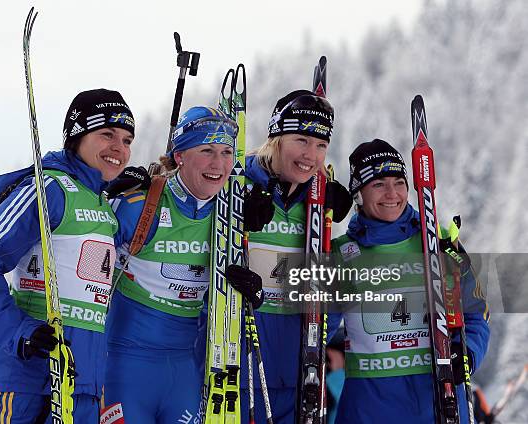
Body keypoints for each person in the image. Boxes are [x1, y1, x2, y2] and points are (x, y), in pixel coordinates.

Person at [0, 88, 139, 423]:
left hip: (81, 384)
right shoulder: (49, 189)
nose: (119, 148)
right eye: (107, 135)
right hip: (25, 379)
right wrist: (19, 332)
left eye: (127, 140)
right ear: (77, 136)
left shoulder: (105, 208)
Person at [103, 106, 264, 424]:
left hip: (183, 370)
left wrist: (250, 293)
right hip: (124, 364)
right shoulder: (140, 205)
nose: (218, 163)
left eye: (226, 152)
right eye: (206, 150)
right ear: (179, 156)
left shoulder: (229, 217)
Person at [329, 138, 490, 423]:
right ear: (358, 194)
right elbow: (314, 330)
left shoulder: (439, 244)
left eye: (398, 182)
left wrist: (466, 355)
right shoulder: (342, 254)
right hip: (369, 411)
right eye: (378, 184)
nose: (392, 193)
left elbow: (475, 315)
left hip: (441, 406)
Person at [215, 89, 351, 423]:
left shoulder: (321, 205)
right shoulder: (233, 181)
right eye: (302, 141)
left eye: (321, 145)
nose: (311, 155)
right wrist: (230, 213)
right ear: (276, 138)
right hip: (239, 367)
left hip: (298, 375)